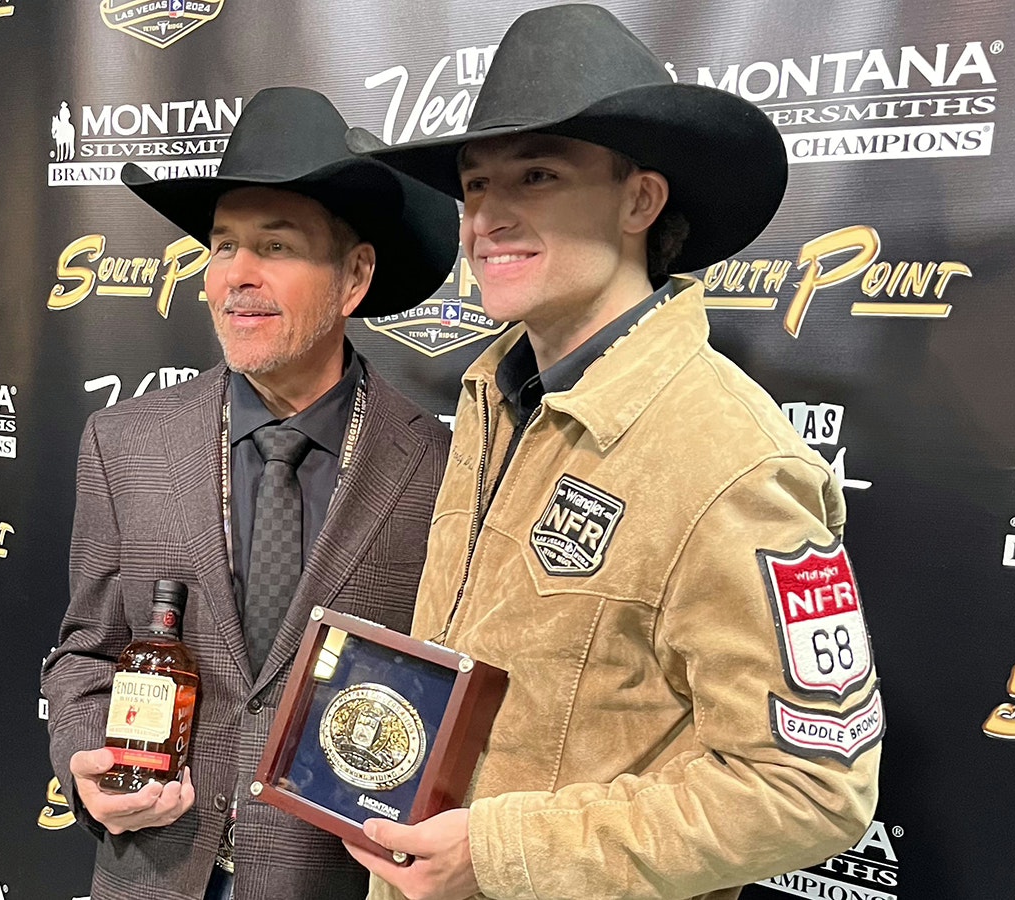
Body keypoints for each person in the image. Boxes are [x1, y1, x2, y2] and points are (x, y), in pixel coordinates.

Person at [342, 6, 882, 900]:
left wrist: (503, 851)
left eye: (539, 175)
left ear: (641, 200)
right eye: (475, 186)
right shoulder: (495, 398)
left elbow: (812, 788)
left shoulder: (736, 462)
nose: (489, 218)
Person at [40, 86, 460, 900]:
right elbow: (85, 653)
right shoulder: (124, 443)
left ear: (354, 277)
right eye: (223, 245)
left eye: (276, 246)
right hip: (155, 873)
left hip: (341, 880)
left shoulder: (440, 466)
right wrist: (86, 758)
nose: (238, 274)